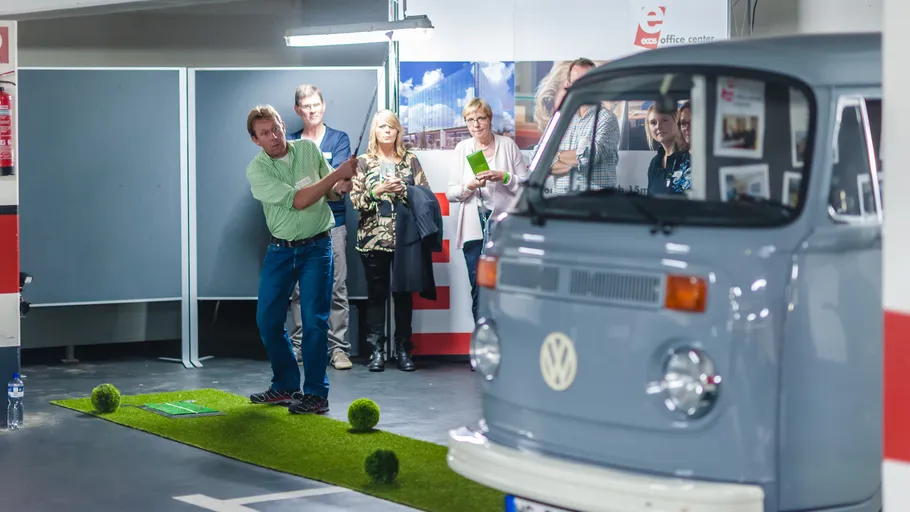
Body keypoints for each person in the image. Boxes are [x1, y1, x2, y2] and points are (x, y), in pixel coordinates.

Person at [244, 104, 356, 414]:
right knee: (267, 321)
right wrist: (338, 173)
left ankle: (317, 394)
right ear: (256, 140)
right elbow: (300, 199)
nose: (275, 136)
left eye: (276, 128)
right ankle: (285, 385)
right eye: (265, 133)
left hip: (317, 249)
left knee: (314, 322)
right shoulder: (258, 170)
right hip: (281, 250)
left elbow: (330, 192)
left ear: (282, 124)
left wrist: (340, 185)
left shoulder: (307, 148)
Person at [350, 109, 433, 372]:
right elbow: (356, 201)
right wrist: (377, 191)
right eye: (382, 127)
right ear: (374, 131)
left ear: (398, 131)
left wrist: (405, 190)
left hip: (406, 241)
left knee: (404, 296)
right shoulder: (363, 162)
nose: (387, 131)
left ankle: (403, 350)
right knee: (376, 296)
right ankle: (376, 350)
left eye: (392, 127)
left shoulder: (411, 161)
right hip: (373, 240)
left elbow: (426, 197)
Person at [286, 84, 353, 371]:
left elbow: (338, 188)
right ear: (298, 110)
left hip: (333, 225)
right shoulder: (289, 143)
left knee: (336, 288)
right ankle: (299, 346)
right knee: (300, 290)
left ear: (323, 106)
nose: (312, 110)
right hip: (300, 228)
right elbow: (288, 189)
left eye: (316, 105)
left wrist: (318, 187)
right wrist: (326, 185)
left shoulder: (339, 140)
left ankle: (337, 348)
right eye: (306, 106)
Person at [447, 98, 528, 323]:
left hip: (504, 229)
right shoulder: (463, 148)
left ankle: (506, 345)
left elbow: (527, 185)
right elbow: (451, 193)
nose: (476, 124)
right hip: (474, 229)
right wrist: (470, 186)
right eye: (470, 120)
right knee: (478, 287)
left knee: (503, 289)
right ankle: (483, 346)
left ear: (490, 119)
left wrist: (503, 176)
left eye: (481, 118)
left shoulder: (507, 145)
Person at [645, 101, 691, 195]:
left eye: (664, 120)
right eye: (653, 122)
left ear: (676, 121)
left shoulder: (690, 156)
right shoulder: (655, 163)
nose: (658, 126)